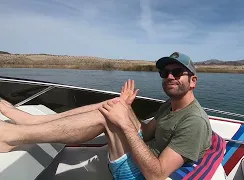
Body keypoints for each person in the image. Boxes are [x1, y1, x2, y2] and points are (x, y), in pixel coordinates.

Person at [0, 52, 215, 179]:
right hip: (143, 155)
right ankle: (33, 121)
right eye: (165, 73)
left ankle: (14, 136)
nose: (169, 77)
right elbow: (146, 133)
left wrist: (125, 123)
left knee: (108, 116)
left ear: (193, 81)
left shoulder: (193, 122)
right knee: (114, 104)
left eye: (177, 73)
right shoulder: (170, 106)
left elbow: (157, 175)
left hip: (139, 174)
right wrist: (126, 108)